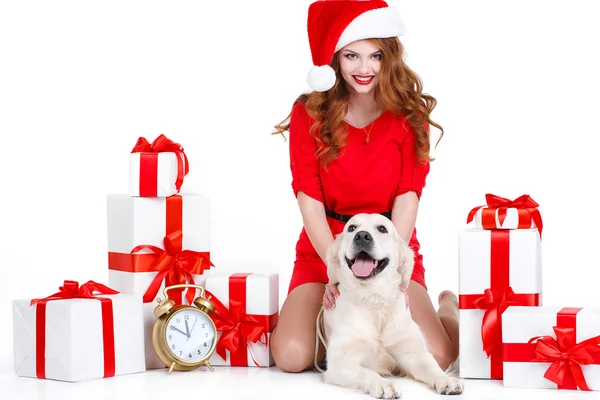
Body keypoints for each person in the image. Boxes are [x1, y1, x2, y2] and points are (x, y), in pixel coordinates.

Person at [270, 0, 459, 373]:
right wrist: (337, 271)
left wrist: (387, 269)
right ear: (335, 59)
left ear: (389, 56)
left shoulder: (409, 115)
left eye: (375, 56)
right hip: (325, 251)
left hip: (389, 247)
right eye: (352, 56)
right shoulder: (308, 113)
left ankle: (448, 305)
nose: (364, 68)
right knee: (292, 355)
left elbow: (407, 200)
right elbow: (309, 203)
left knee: (438, 357)